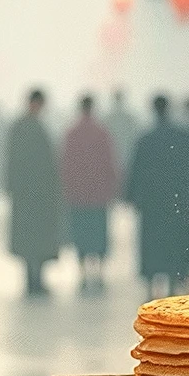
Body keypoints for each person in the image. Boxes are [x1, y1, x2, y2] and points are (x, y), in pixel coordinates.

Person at [125, 95, 189, 299]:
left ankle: (151, 288)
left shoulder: (145, 140)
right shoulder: (186, 138)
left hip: (152, 205)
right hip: (178, 202)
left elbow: (135, 173)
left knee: (153, 245)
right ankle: (174, 283)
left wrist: (132, 198)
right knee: (176, 243)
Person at [5, 88, 64, 297]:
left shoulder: (18, 127)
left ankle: (31, 279)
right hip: (38, 195)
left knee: (28, 239)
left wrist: (10, 187)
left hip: (24, 195)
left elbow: (10, 162)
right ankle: (36, 280)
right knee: (38, 239)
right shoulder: (37, 128)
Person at [59, 93, 121, 292]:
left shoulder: (71, 133)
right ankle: (100, 271)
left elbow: (64, 164)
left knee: (81, 233)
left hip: (77, 194)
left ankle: (83, 271)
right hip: (98, 193)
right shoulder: (102, 133)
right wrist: (114, 187)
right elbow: (110, 162)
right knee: (98, 232)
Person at [103, 87, 140, 166]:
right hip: (126, 153)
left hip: (112, 154)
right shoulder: (129, 118)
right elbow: (133, 137)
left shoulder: (108, 118)